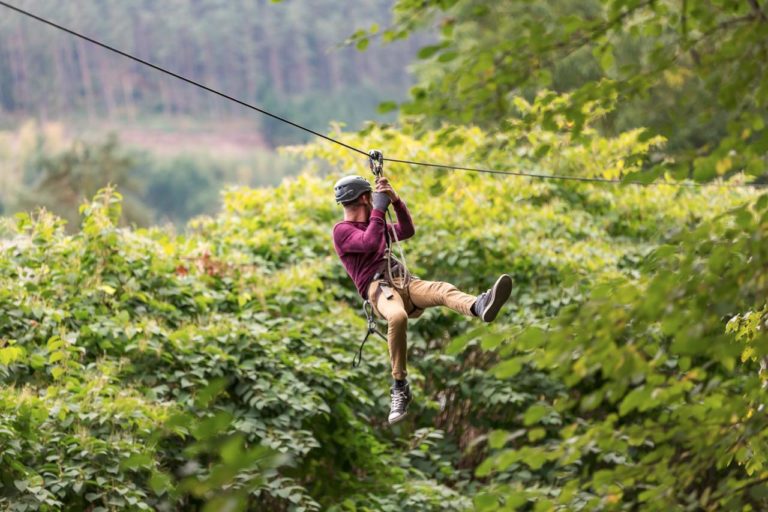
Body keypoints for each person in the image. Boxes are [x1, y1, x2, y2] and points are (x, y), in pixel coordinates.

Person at [332, 175, 512, 424]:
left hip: (403, 280)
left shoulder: (377, 223)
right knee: (397, 316)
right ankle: (399, 386)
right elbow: (370, 241)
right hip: (380, 289)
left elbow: (407, 230)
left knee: (441, 290)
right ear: (365, 197)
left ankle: (478, 305)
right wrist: (379, 210)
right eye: (372, 198)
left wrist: (395, 202)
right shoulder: (342, 231)